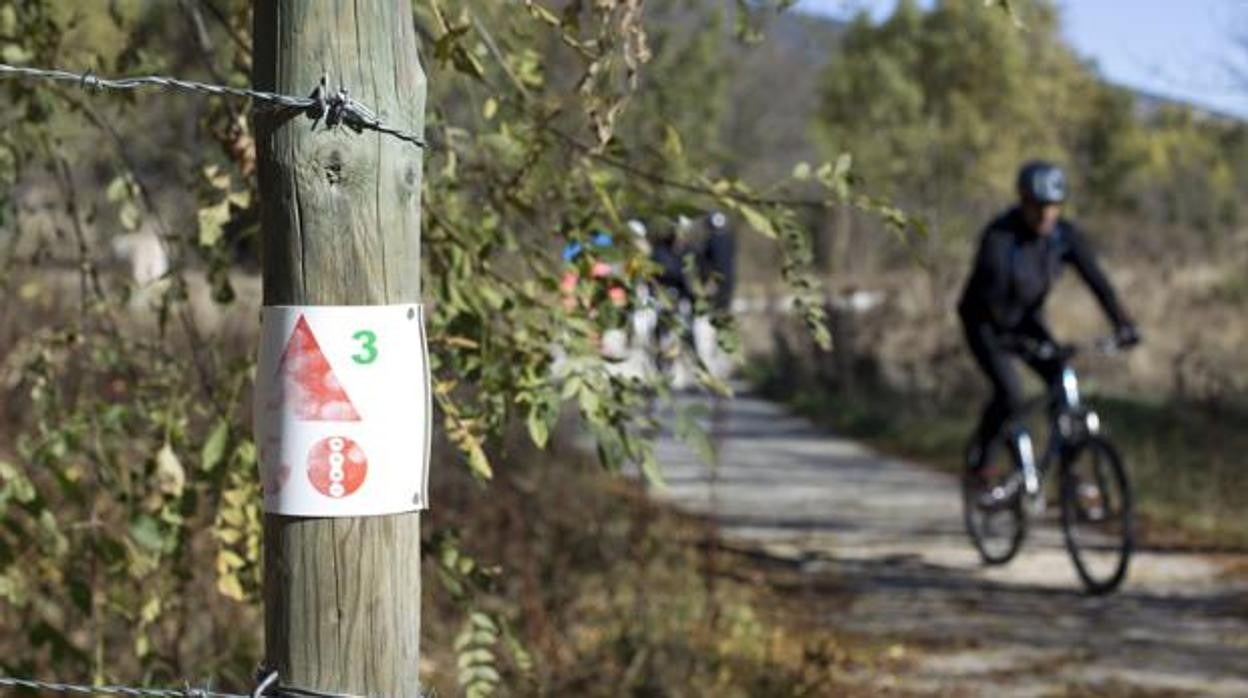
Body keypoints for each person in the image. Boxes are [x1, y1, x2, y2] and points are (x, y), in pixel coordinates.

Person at [957, 160, 1140, 471]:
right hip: (984, 323)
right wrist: (1017, 343)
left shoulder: (1062, 237)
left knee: (1062, 380)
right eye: (1039, 206)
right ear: (1024, 201)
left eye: (1053, 206)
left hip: (1026, 322)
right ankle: (983, 461)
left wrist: (1124, 324)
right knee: (1011, 392)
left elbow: (1098, 282)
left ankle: (1069, 476)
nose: (1046, 215)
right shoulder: (1000, 236)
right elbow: (992, 289)